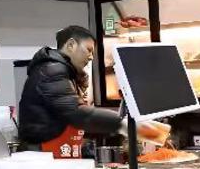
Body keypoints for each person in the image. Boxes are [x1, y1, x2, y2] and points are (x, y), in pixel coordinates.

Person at [18, 26, 126, 157]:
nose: (91, 57)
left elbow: (69, 121)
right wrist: (122, 124)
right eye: (89, 50)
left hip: (56, 153)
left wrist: (109, 131)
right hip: (42, 157)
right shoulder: (51, 70)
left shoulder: (66, 73)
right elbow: (77, 114)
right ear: (71, 45)